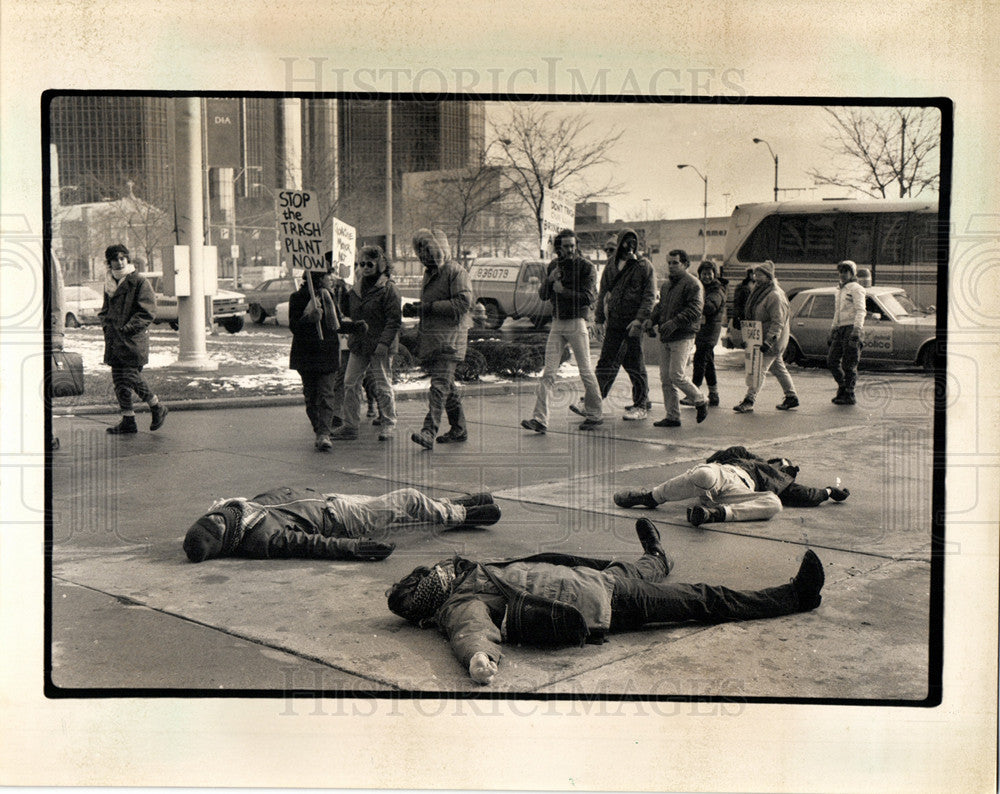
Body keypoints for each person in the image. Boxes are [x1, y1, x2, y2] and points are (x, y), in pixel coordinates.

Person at [386, 518, 825, 685]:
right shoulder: (461, 601)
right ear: (435, 589)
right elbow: (471, 632)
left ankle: (657, 556)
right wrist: (479, 659)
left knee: (637, 569)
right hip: (605, 607)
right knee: (705, 599)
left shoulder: (475, 572)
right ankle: (795, 596)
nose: (442, 567)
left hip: (595, 581)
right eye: (434, 573)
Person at [182, 487, 501, 563]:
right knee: (407, 500)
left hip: (327, 500)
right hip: (340, 521)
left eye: (212, 518)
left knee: (399, 508)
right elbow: (312, 545)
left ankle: (456, 506)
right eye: (217, 525)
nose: (217, 517)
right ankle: (465, 514)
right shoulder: (259, 539)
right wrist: (356, 548)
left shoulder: (235, 510)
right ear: (224, 540)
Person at [613, 444, 849, 526]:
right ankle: (650, 498)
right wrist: (710, 465)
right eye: (779, 462)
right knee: (705, 476)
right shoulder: (749, 459)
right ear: (772, 460)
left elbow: (808, 495)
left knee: (774, 504)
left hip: (740, 493)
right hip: (724, 475)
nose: (780, 466)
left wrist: (829, 491)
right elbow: (731, 451)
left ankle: (714, 515)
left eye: (784, 466)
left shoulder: (783, 483)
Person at [520, 229, 603, 434]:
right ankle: (540, 419)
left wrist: (563, 291)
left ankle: (594, 413)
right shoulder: (554, 266)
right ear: (559, 247)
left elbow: (589, 297)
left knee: (585, 370)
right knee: (548, 372)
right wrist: (549, 280)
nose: (570, 249)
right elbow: (542, 295)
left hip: (576, 322)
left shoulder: (586, 267)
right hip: (557, 322)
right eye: (565, 246)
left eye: (572, 245)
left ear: (577, 246)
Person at [404, 229, 474, 450]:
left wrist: (428, 308)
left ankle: (428, 431)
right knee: (447, 387)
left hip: (450, 340)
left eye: (427, 250)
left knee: (438, 387)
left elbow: (463, 304)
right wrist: (417, 309)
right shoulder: (431, 273)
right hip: (436, 339)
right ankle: (459, 429)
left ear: (440, 249)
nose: (423, 255)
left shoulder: (455, 271)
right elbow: (434, 305)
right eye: (420, 251)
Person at [288, 265, 365, 451]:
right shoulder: (297, 298)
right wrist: (308, 318)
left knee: (326, 394)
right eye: (328, 275)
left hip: (327, 353)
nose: (331, 278)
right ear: (318, 278)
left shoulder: (329, 297)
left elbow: (336, 324)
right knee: (311, 396)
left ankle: (324, 433)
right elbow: (293, 326)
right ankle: (319, 430)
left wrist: (355, 327)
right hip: (306, 354)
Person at [331, 246, 402, 442]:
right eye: (361, 264)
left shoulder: (388, 288)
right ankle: (350, 425)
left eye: (369, 263)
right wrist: (341, 293)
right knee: (350, 382)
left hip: (380, 344)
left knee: (382, 384)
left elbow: (394, 320)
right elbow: (348, 312)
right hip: (359, 343)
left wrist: (384, 344)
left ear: (380, 264)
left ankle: (389, 423)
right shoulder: (355, 288)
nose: (365, 267)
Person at [98, 244, 168, 434]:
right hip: (114, 340)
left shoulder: (138, 281)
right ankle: (128, 420)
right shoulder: (110, 283)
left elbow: (147, 312)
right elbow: (105, 309)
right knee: (119, 381)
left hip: (132, 340)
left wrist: (127, 328)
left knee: (130, 376)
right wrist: (106, 323)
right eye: (115, 259)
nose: (119, 262)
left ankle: (157, 406)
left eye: (122, 258)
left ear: (127, 259)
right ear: (109, 262)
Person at [589, 228, 657, 421]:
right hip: (614, 322)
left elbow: (649, 296)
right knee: (607, 361)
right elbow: (603, 292)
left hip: (632, 323)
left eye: (633, 242)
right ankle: (594, 400)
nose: (630, 246)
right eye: (626, 242)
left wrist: (639, 320)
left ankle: (640, 404)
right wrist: (599, 319)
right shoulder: (611, 265)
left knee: (635, 363)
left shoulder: (644, 266)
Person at [647, 249, 708, 427]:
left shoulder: (693, 284)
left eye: (675, 263)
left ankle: (700, 399)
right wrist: (651, 320)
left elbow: (695, 309)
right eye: (669, 262)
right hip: (667, 336)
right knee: (666, 378)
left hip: (683, 336)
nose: (671, 266)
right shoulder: (667, 285)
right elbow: (661, 306)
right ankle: (672, 415)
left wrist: (674, 322)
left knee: (676, 375)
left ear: (685, 264)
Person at [733, 260, 800, 413]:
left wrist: (769, 340)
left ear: (769, 277)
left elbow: (778, 322)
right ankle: (791, 396)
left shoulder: (775, 295)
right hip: (759, 338)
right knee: (778, 368)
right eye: (755, 273)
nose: (756, 276)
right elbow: (752, 319)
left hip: (771, 341)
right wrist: (748, 338)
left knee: (759, 369)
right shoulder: (759, 292)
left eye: (760, 274)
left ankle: (749, 400)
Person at [682, 259, 727, 407]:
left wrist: (693, 302)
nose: (706, 276)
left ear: (714, 274)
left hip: (709, 332)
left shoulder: (717, 290)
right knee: (708, 363)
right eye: (704, 273)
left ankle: (694, 394)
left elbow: (709, 307)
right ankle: (714, 394)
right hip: (703, 331)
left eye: (709, 274)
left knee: (700, 361)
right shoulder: (703, 288)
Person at [828, 259, 866, 405]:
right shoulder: (839, 290)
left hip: (852, 327)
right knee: (832, 361)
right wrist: (833, 328)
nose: (842, 275)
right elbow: (837, 312)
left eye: (846, 272)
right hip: (840, 328)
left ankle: (849, 394)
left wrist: (856, 330)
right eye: (841, 272)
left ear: (852, 273)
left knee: (849, 364)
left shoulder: (856, 289)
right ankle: (843, 387)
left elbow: (861, 310)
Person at [727, 267, 755, 348]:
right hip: (744, 316)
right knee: (747, 339)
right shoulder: (742, 287)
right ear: (749, 275)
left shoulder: (756, 285)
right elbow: (737, 304)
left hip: (753, 317)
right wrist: (736, 317)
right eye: (753, 274)